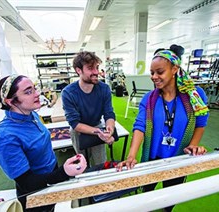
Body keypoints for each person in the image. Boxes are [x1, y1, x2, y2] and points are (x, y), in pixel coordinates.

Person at [116, 45, 209, 211]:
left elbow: (201, 123)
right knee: (146, 194)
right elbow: (139, 126)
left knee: (170, 197)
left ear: (174, 69)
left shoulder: (195, 95)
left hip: (178, 158)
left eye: (160, 72)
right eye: (152, 73)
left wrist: (193, 144)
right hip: (153, 157)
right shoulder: (149, 99)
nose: (154, 77)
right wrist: (131, 155)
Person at [0, 75, 87, 212]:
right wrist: (64, 172)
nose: (37, 94)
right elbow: (27, 183)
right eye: (28, 92)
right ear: (11, 102)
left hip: (52, 178)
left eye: (35, 89)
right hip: (36, 196)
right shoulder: (5, 138)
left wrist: (60, 173)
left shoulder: (31, 115)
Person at [62, 51, 116, 166]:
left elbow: (109, 114)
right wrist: (99, 132)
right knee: (82, 163)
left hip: (97, 125)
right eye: (90, 68)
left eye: (97, 67)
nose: (96, 72)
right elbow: (75, 123)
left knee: (100, 163)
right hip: (78, 130)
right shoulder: (68, 93)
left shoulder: (104, 89)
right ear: (78, 70)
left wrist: (109, 130)